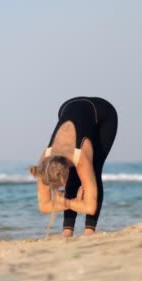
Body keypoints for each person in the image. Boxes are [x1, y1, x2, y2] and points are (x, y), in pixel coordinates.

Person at [29, 97, 117, 237]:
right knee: (74, 180)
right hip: (67, 106)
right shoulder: (44, 164)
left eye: (59, 186)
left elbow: (90, 207)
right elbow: (44, 207)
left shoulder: (81, 157)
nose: (57, 190)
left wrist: (65, 202)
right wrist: (72, 202)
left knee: (94, 169)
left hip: (102, 113)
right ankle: (67, 231)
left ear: (64, 170)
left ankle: (89, 230)